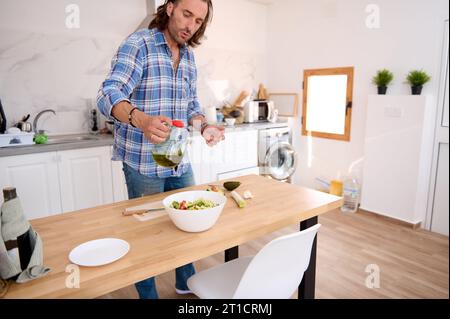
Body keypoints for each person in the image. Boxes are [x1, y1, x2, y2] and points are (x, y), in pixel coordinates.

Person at [97, 0, 224, 299]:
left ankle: (185, 284)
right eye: (186, 14)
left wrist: (203, 126)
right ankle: (148, 295)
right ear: (169, 8)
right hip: (142, 163)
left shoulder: (190, 57)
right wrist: (140, 119)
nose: (190, 25)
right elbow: (108, 93)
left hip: (178, 158)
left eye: (198, 20)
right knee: (146, 235)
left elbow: (192, 105)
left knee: (189, 222)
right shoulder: (138, 44)